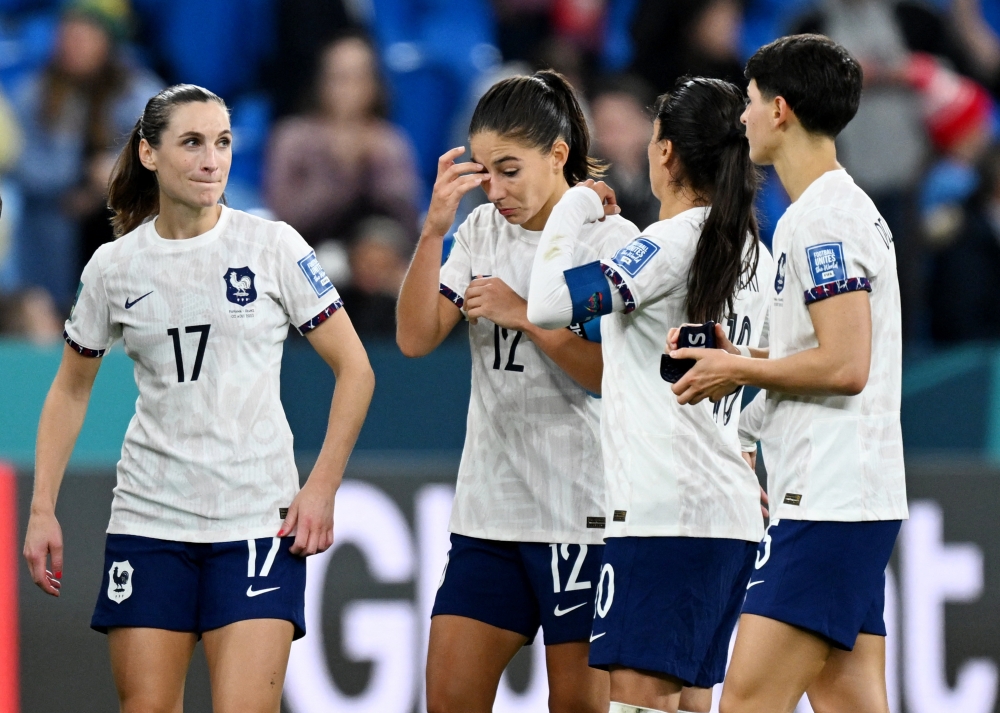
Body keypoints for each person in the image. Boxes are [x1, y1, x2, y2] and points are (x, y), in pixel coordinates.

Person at [21, 84, 375, 712]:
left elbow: (356, 370)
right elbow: (70, 391)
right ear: (149, 154)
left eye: (223, 142)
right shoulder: (113, 267)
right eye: (192, 142)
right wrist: (43, 507)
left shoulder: (274, 248)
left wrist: (321, 487)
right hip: (149, 522)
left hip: (257, 521)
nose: (213, 160)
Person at [669, 35, 908, 713]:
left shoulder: (821, 221)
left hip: (830, 504)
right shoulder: (825, 213)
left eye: (747, 102)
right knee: (849, 698)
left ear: (779, 110)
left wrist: (734, 368)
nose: (740, 118)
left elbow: (845, 362)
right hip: (846, 498)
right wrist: (745, 381)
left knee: (744, 701)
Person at [527, 76, 774, 713]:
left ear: (664, 153)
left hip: (665, 514)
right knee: (688, 702)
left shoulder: (671, 242)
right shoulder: (753, 253)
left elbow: (549, 303)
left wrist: (574, 207)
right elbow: (757, 376)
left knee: (637, 699)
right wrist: (744, 456)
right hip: (728, 516)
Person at [396, 70, 639, 713]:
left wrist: (527, 315)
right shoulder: (479, 235)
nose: (496, 190)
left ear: (558, 154)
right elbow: (416, 338)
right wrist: (432, 231)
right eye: (486, 173)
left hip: (580, 515)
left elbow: (610, 378)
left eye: (510, 170)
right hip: (489, 512)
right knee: (448, 700)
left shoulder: (608, 244)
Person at [11, 1, 162, 308]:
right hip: (50, 225)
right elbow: (18, 161)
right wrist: (71, 181)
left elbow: (164, 151)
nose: (72, 45)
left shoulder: (138, 92)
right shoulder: (33, 93)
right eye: (66, 34)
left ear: (107, 41)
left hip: (116, 222)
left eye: (84, 35)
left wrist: (116, 175)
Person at [265, 33, 420, 247]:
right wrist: (340, 171)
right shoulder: (293, 139)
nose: (350, 90)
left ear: (375, 85)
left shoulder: (389, 141)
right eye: (341, 78)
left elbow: (408, 223)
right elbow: (285, 219)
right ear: (322, 83)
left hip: (378, 260)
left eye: (360, 78)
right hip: (310, 256)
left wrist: (375, 164)